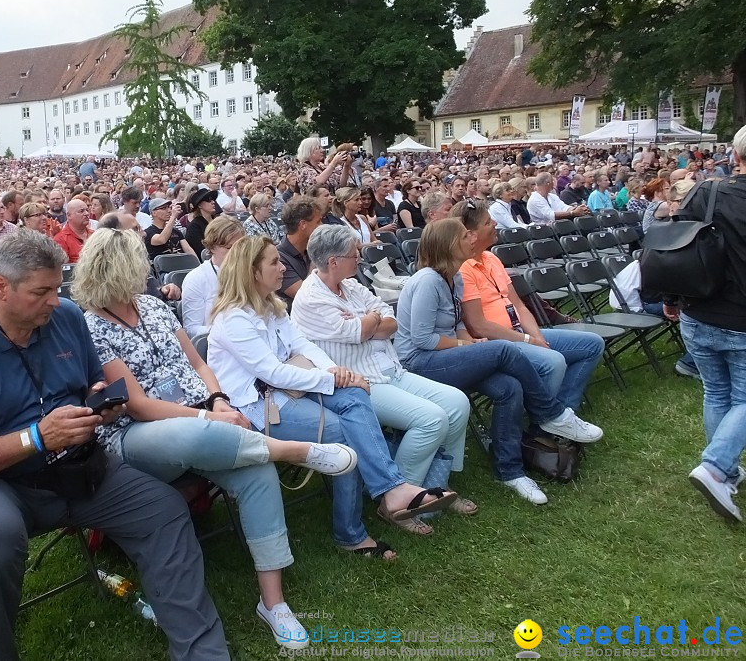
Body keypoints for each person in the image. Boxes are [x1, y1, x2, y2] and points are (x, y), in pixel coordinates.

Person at [0, 230, 230, 661]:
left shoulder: (64, 317)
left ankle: (202, 653)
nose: (53, 300)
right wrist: (37, 436)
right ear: (0, 288)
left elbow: (90, 384)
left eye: (57, 288)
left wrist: (99, 403)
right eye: (40, 292)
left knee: (163, 510)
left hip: (79, 464)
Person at [75, 228, 355, 648]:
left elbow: (199, 364)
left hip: (204, 417)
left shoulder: (152, 307)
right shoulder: (93, 326)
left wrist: (220, 400)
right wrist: (208, 415)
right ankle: (291, 451)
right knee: (194, 433)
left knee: (257, 473)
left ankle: (272, 603)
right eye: (138, 264)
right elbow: (137, 405)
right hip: (137, 437)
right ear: (117, 269)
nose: (146, 272)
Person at [208, 236, 457, 560]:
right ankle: (350, 532)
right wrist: (330, 377)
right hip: (261, 406)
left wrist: (338, 371)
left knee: (354, 392)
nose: (284, 267)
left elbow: (304, 347)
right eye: (274, 262)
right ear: (252, 271)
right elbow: (273, 373)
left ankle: (392, 489)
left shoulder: (271, 305)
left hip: (293, 387)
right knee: (343, 433)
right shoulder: (234, 319)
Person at [394, 219, 603, 505]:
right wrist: (468, 346)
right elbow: (422, 340)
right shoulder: (428, 280)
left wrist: (469, 343)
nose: (471, 238)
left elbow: (456, 326)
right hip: (420, 362)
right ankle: (552, 415)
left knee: (510, 388)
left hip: (447, 355)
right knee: (503, 350)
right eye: (464, 235)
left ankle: (510, 471)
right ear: (449, 244)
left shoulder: (454, 277)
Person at [291, 225, 475, 536]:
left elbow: (392, 321)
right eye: (354, 255)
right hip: (359, 384)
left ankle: (434, 485)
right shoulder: (310, 299)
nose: (360, 259)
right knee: (431, 420)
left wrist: (370, 321)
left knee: (458, 403)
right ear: (333, 261)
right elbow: (358, 332)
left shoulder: (349, 287)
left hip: (390, 369)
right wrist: (369, 322)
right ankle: (399, 500)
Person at [451, 200, 605, 412]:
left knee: (592, 345)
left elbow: (519, 305)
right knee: (552, 362)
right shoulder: (463, 268)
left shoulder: (491, 258)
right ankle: (545, 422)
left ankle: (562, 412)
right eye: (488, 222)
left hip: (520, 333)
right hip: (500, 344)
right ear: (472, 233)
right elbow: (479, 326)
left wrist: (537, 338)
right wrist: (528, 340)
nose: (495, 223)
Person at [673, 127, 746, 523]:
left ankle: (726, 471)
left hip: (698, 311)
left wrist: (670, 299)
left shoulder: (706, 191)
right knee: (740, 397)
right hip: (736, 316)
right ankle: (716, 466)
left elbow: (675, 246)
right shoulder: (708, 191)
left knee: (718, 392)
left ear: (734, 156)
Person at [182, 216, 244, 339]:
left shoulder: (251, 272)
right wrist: (231, 330)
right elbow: (191, 329)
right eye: (229, 247)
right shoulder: (196, 278)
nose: (237, 252)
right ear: (212, 247)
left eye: (240, 247)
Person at [277, 196, 321, 310]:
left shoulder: (310, 249)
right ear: (303, 225)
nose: (322, 226)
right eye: (318, 222)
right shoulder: (279, 259)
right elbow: (305, 296)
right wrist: (316, 260)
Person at [52, 198, 92, 263]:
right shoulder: (61, 239)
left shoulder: (95, 235)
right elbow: (63, 268)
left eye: (87, 210)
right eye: (81, 211)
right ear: (69, 215)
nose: (87, 213)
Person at [183, 187, 218, 257]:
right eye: (208, 200)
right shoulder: (194, 227)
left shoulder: (218, 221)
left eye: (213, 199)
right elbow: (200, 251)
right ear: (199, 205)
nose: (213, 202)